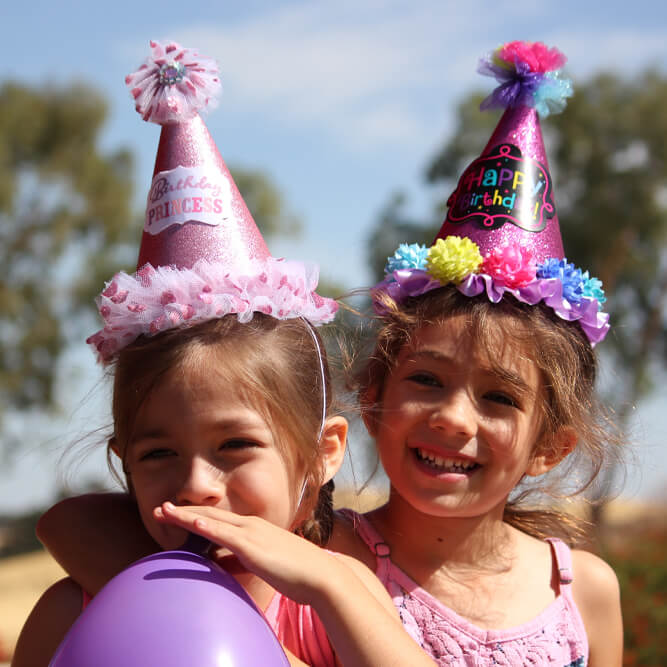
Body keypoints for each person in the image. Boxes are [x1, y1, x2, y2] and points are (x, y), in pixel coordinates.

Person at [12, 41, 435, 667]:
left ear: (322, 454)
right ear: (122, 462)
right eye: (157, 453)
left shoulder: (336, 612)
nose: (196, 486)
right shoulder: (74, 608)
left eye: (235, 446)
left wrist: (332, 584)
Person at [329, 41, 623, 666]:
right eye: (427, 380)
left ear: (549, 447)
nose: (454, 419)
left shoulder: (584, 591)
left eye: (499, 397)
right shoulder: (327, 561)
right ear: (372, 393)